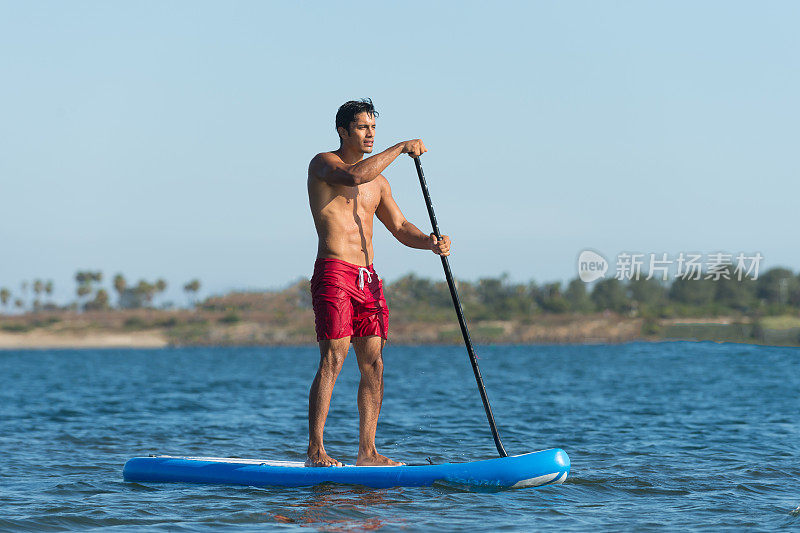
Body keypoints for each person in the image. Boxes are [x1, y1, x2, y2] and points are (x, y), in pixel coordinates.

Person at [306, 99, 451, 467]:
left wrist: (430, 243)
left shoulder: (380, 183)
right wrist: (401, 147)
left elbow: (401, 228)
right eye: (362, 127)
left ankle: (367, 452)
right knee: (334, 358)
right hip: (335, 272)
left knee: (374, 363)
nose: (370, 133)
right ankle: (316, 450)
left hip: (368, 278)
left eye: (373, 127)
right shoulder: (324, 163)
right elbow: (354, 177)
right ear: (343, 130)